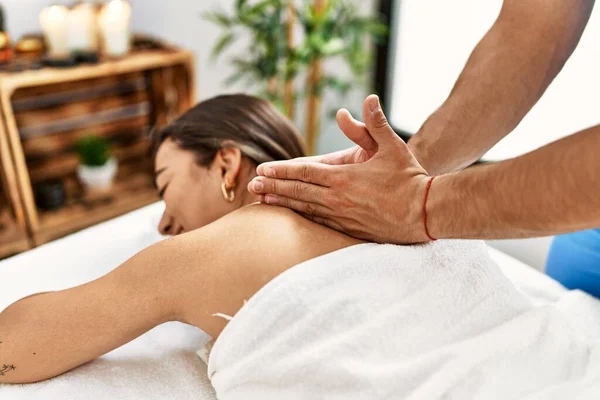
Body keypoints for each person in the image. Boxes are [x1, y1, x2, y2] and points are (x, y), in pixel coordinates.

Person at [247, 1, 600, 286]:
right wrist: (407, 167)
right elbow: (528, 32)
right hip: (583, 250)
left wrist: (421, 205)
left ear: (226, 165)